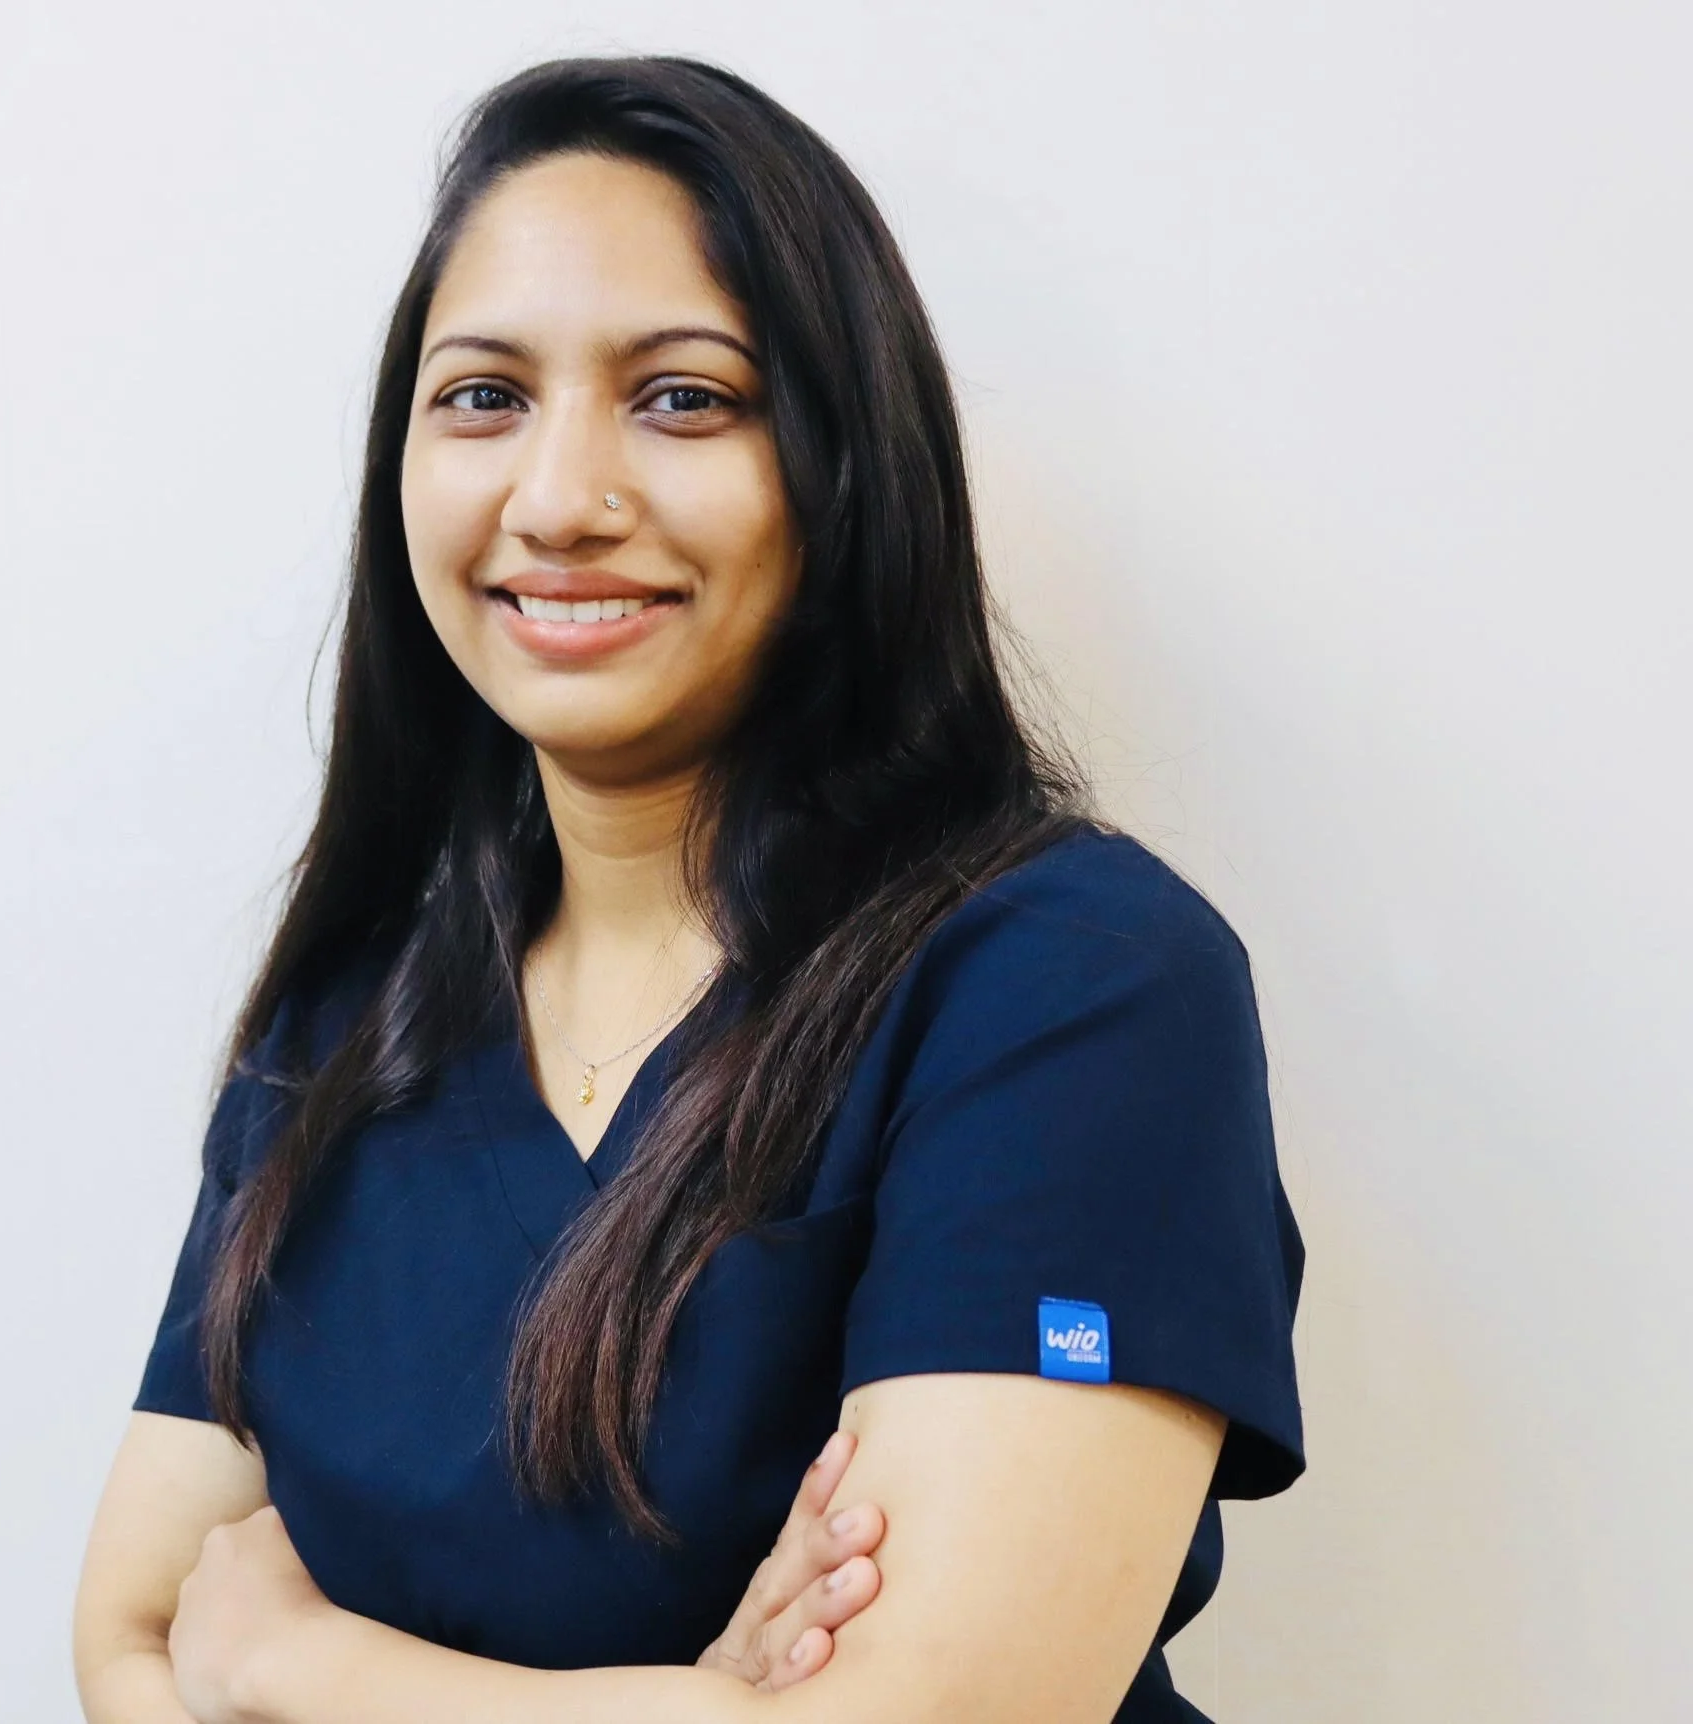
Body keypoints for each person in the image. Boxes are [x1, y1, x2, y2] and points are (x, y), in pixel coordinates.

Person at [71, 54, 1303, 1724]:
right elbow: (136, 1645)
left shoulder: (1069, 988)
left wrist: (302, 1665)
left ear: (845, 462)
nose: (559, 500)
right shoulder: (349, 1019)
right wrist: (699, 1703)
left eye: (682, 398)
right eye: (483, 397)